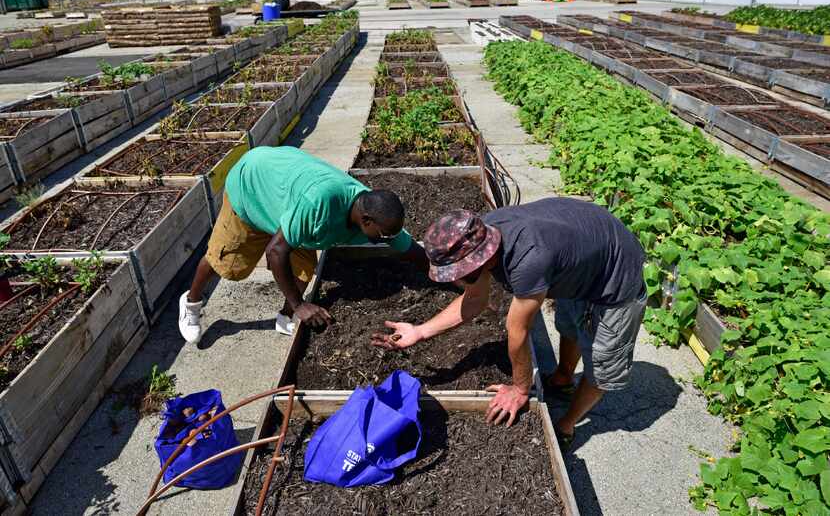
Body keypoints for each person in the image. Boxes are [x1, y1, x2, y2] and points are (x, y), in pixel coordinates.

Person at [372, 198, 646, 450]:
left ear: (479, 257)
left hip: (617, 275)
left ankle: (566, 424)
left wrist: (519, 389)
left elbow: (518, 333)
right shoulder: (483, 234)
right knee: (571, 325)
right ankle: (563, 378)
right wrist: (420, 331)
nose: (457, 277)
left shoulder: (529, 261)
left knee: (602, 366)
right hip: (584, 255)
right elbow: (475, 299)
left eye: (457, 271)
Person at [179, 146, 427, 344]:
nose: (386, 241)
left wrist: (447, 275)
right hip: (252, 186)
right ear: (366, 220)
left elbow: (409, 247)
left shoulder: (372, 209)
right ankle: (191, 303)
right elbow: (275, 252)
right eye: (383, 236)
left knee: (302, 267)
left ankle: (285, 314)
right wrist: (301, 304)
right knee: (227, 263)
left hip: (286, 196)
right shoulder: (319, 204)